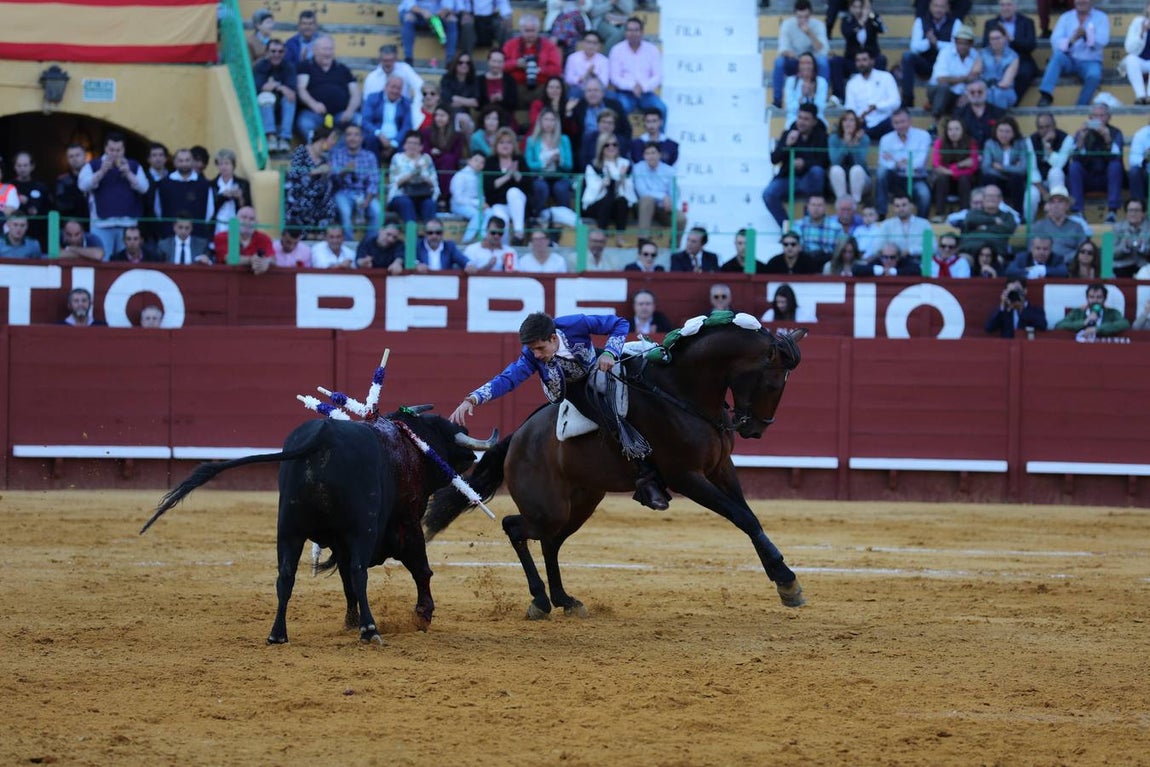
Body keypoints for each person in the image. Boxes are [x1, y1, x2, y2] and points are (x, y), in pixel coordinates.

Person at [449, 310, 670, 509]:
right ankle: (646, 481)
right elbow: (508, 378)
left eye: (539, 348)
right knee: (611, 420)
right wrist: (473, 399)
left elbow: (619, 323)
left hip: (598, 360)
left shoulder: (576, 324)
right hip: (573, 388)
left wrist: (610, 352)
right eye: (532, 349)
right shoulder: (531, 357)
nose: (535, 355)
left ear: (553, 338)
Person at [77, 132, 149, 257]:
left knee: (126, 262)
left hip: (128, 226)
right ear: (105, 148)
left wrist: (128, 173)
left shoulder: (134, 165)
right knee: (102, 262)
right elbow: (82, 185)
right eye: (111, 149)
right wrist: (101, 172)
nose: (115, 153)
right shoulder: (93, 165)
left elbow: (144, 188)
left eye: (118, 150)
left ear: (124, 149)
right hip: (101, 224)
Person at [762, 103, 829, 228]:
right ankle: (789, 228)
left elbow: (824, 162)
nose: (801, 122)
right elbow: (774, 159)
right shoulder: (788, 134)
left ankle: (809, 222)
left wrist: (805, 164)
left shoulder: (821, 136)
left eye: (806, 119)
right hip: (788, 179)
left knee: (817, 172)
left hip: (809, 180)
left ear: (814, 121)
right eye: (800, 117)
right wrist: (787, 145)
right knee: (768, 194)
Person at [1037, 0, 1110, 107]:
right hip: (1069, 58)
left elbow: (1103, 40)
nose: (1081, 1)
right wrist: (1071, 40)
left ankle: (1081, 105)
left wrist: (1086, 36)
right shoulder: (1066, 17)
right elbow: (1055, 41)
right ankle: (1046, 95)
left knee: (1094, 75)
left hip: (1090, 60)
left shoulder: (1101, 17)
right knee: (1057, 57)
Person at [1067, 103, 1125, 224]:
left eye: (1102, 116)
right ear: (1090, 118)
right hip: (1088, 178)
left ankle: (1112, 212)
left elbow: (1117, 158)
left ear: (1108, 117)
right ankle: (1078, 212)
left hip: (1107, 178)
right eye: (1095, 116)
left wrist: (1108, 139)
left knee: (1115, 166)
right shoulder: (1081, 133)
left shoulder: (1116, 133)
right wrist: (1081, 140)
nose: (1098, 119)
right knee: (1074, 167)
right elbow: (1075, 157)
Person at [295, 36, 360, 139]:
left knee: (357, 119)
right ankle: (319, 150)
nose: (328, 53)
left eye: (330, 49)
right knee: (304, 123)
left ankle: (336, 151)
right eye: (324, 49)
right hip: (314, 114)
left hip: (340, 115)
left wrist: (350, 111)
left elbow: (355, 93)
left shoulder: (343, 69)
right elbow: (301, 89)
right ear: (315, 50)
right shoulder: (306, 66)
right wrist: (313, 104)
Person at [901, 0, 960, 109]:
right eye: (936, 6)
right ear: (930, 7)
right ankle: (907, 98)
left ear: (947, 8)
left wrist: (936, 43)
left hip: (946, 66)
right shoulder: (920, 21)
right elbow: (914, 47)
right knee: (907, 57)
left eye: (942, 7)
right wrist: (928, 42)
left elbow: (956, 47)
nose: (938, 9)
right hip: (926, 63)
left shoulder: (956, 22)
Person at [772, 0, 831, 110]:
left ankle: (823, 98)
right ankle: (777, 100)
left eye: (806, 17)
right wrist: (800, 59)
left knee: (823, 61)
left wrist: (809, 33)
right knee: (779, 62)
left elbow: (823, 50)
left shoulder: (818, 25)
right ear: (795, 14)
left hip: (812, 62)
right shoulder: (787, 25)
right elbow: (783, 49)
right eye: (800, 17)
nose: (803, 20)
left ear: (811, 14)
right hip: (795, 59)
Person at [329, 124, 382, 241]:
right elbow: (333, 178)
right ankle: (349, 244)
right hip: (343, 191)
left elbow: (374, 181)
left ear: (361, 138)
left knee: (377, 211)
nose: (352, 138)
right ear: (345, 138)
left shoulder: (370, 156)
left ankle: (369, 243)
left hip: (364, 192)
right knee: (345, 211)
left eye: (356, 135)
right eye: (349, 135)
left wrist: (368, 200)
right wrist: (345, 171)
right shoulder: (337, 154)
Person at [607, 15, 666, 120]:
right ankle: (622, 136)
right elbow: (614, 78)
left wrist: (642, 87)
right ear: (625, 33)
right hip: (625, 93)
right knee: (621, 107)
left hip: (646, 92)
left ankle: (659, 137)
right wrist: (632, 86)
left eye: (636, 30)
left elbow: (658, 76)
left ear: (642, 32)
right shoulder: (617, 50)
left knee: (661, 108)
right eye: (629, 30)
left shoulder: (652, 50)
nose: (632, 33)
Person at [982, 116, 1040, 222]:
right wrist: (1011, 169)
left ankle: (1019, 214)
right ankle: (990, 213)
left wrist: (1002, 168)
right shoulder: (990, 144)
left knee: (1016, 178)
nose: (1004, 135)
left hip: (1014, 181)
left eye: (1007, 131)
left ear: (1014, 132)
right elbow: (986, 168)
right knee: (988, 178)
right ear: (996, 131)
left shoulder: (1021, 144)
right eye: (1001, 131)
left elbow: (1023, 169)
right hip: (997, 179)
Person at [582, 132, 635, 246]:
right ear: (601, 147)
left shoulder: (625, 164)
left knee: (621, 200)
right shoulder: (593, 166)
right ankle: (601, 236)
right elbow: (592, 188)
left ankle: (620, 238)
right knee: (608, 198)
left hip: (617, 205)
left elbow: (630, 190)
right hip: (596, 204)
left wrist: (622, 179)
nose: (611, 147)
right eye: (607, 145)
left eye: (614, 144)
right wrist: (603, 183)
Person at [875, 108, 931, 217]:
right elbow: (883, 162)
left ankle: (921, 222)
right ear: (892, 124)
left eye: (902, 122)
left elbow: (919, 163)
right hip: (894, 178)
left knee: (924, 194)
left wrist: (895, 161)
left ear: (910, 121)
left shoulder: (923, 136)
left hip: (915, 177)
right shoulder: (885, 139)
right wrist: (901, 163)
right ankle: (881, 214)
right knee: (881, 173)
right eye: (896, 123)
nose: (900, 126)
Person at [284, 123, 339, 230]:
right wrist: (316, 171)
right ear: (323, 139)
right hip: (298, 194)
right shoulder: (302, 151)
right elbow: (293, 174)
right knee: (305, 203)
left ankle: (320, 233)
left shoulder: (324, 159)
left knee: (330, 204)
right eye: (332, 139)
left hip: (317, 197)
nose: (334, 143)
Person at [830, 0, 887, 101]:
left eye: (860, 7)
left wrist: (873, 16)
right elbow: (848, 34)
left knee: (881, 59)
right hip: (852, 60)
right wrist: (861, 22)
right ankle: (839, 96)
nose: (857, 10)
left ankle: (879, 93)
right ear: (850, 8)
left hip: (870, 61)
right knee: (835, 61)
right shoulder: (846, 20)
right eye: (855, 7)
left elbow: (882, 30)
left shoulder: (872, 18)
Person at [982, 0, 1038, 101]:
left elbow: (1030, 46)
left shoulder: (1027, 22)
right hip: (997, 58)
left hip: (1021, 59)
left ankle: (1013, 102)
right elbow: (985, 45)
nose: (1005, 8)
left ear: (1015, 7)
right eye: (1002, 5)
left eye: (1009, 5)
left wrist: (1011, 38)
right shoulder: (990, 23)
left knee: (1024, 73)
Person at [526, 106, 575, 219]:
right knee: (541, 187)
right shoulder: (532, 140)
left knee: (561, 188)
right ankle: (536, 218)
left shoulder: (564, 139)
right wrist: (544, 163)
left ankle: (567, 218)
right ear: (540, 121)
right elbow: (529, 165)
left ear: (556, 122)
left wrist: (560, 160)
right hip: (539, 176)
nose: (549, 123)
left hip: (559, 176)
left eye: (552, 120)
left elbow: (569, 165)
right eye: (546, 119)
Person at [154, 148, 214, 239]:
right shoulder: (164, 184)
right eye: (180, 161)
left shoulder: (203, 184)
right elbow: (158, 210)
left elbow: (209, 211)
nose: (184, 164)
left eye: (187, 160)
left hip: (196, 236)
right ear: (174, 162)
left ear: (192, 162)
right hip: (170, 236)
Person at [484, 127, 530, 243]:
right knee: (500, 220)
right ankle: (504, 250)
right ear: (496, 145)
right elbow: (488, 187)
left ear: (514, 145)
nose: (505, 146)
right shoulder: (490, 161)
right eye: (502, 142)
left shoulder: (520, 160)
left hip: (518, 204)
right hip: (498, 203)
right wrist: (507, 176)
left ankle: (519, 234)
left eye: (509, 142)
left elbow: (529, 185)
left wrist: (516, 174)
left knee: (513, 192)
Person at [927, 24, 981, 122]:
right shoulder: (945, 53)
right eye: (960, 43)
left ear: (971, 44)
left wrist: (967, 95)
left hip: (961, 93)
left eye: (966, 43)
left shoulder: (976, 55)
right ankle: (934, 123)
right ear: (955, 42)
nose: (963, 46)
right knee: (944, 88)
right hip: (938, 91)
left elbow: (975, 79)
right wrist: (964, 78)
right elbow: (941, 79)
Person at [501, 13, 563, 98]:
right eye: (527, 31)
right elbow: (499, 65)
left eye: (533, 30)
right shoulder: (510, 45)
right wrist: (516, 64)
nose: (530, 34)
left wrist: (539, 69)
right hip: (515, 86)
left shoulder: (549, 46)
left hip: (541, 87)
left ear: (538, 30)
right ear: (521, 30)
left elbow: (557, 69)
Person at [929, 116, 979, 222]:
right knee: (942, 178)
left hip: (964, 181)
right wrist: (959, 166)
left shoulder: (971, 143)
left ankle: (964, 213)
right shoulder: (939, 143)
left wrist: (951, 169)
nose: (953, 132)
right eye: (950, 129)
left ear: (963, 130)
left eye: (957, 129)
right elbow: (936, 165)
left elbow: (973, 167)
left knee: (964, 179)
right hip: (945, 181)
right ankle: (940, 214)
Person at [632, 142, 683, 243]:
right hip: (642, 206)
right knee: (648, 200)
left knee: (681, 219)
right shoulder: (638, 168)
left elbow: (674, 192)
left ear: (660, 154)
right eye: (647, 153)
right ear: (644, 156)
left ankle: (673, 248)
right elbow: (642, 192)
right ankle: (643, 242)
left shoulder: (669, 171)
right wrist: (663, 196)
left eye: (653, 153)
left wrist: (670, 203)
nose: (651, 156)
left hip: (663, 207)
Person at [843, 50, 900, 142]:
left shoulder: (886, 77)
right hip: (863, 123)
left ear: (872, 61)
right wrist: (858, 118)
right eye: (858, 60)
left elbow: (896, 102)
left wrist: (876, 106)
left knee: (895, 122)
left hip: (885, 121)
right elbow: (850, 107)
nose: (861, 63)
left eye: (864, 60)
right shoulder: (852, 83)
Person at [387, 130, 441, 224]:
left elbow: (434, 183)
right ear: (404, 145)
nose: (412, 146)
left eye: (416, 143)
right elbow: (394, 183)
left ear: (421, 147)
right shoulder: (397, 158)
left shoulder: (426, 159)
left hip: (422, 194)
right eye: (409, 143)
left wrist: (422, 175)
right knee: (406, 203)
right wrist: (412, 173)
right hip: (401, 194)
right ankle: (412, 236)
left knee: (429, 204)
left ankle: (431, 234)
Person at [254, 39, 298, 154]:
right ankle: (270, 136)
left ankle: (285, 138)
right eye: (273, 51)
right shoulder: (260, 66)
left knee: (290, 99)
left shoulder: (289, 67)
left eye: (280, 51)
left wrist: (275, 85)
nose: (276, 55)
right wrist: (281, 87)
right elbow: (260, 88)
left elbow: (291, 91)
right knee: (265, 96)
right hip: (265, 107)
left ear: (284, 53)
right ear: (267, 52)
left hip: (282, 104)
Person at [958, 184, 1016, 264]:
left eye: (995, 196)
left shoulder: (1007, 216)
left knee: (998, 261)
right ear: (983, 198)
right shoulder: (973, 213)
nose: (991, 199)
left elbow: (1008, 229)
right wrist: (993, 221)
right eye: (988, 196)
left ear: (1000, 199)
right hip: (970, 251)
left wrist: (984, 227)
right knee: (962, 261)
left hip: (995, 254)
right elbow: (969, 221)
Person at [361, 75, 414, 164]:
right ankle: (374, 171)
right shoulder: (373, 98)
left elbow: (407, 126)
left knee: (407, 145)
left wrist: (394, 143)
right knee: (370, 140)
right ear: (385, 86)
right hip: (377, 135)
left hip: (397, 139)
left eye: (399, 88)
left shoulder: (406, 103)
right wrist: (379, 134)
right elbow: (366, 121)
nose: (395, 91)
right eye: (393, 87)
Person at [875, 193, 936, 266]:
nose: (901, 209)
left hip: (919, 264)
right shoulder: (886, 225)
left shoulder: (924, 224)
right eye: (897, 206)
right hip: (895, 265)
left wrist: (911, 251)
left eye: (904, 205)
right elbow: (878, 248)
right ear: (893, 208)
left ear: (912, 206)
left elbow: (933, 249)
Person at [1055, 283, 1130, 340]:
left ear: (1105, 298)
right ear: (1087, 298)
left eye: (1099, 297)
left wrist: (1097, 329)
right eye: (1091, 297)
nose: (1095, 300)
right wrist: (1084, 322)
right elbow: (1060, 325)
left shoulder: (1112, 312)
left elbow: (1124, 323)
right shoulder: (1078, 312)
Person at [422, 105, 464, 204]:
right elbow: (424, 151)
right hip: (431, 163)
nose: (439, 118)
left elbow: (457, 155)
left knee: (448, 160)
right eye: (437, 115)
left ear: (449, 117)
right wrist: (432, 152)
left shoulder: (456, 135)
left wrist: (441, 154)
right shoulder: (427, 132)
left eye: (442, 115)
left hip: (449, 166)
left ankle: (444, 196)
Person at [212, 206, 275, 271]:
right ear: (236, 220)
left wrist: (267, 261)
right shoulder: (222, 236)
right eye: (244, 217)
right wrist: (251, 260)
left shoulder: (264, 239)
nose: (247, 221)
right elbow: (229, 259)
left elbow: (273, 259)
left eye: (252, 219)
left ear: (256, 223)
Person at [828, 110, 870, 205]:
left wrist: (855, 144)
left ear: (856, 123)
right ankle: (842, 203)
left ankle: (855, 203)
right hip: (838, 181)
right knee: (835, 170)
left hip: (862, 181)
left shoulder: (864, 138)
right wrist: (845, 144)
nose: (848, 123)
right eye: (845, 120)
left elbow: (861, 162)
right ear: (841, 123)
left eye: (852, 120)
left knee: (856, 170)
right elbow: (835, 161)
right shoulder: (834, 138)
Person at [399, 0, 459, 66]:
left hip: (436, 17)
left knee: (451, 19)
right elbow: (411, 6)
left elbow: (448, 6)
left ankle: (450, 59)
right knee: (409, 17)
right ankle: (408, 58)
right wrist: (423, 12)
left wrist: (438, 14)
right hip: (416, 14)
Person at [11, 152, 52, 246]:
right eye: (19, 165)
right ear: (14, 167)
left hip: (37, 236)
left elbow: (47, 212)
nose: (22, 168)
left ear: (32, 166)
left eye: (25, 165)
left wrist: (27, 202)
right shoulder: (9, 187)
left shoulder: (41, 187)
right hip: (13, 238)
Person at [793, 194, 843, 268]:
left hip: (829, 263)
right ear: (808, 207)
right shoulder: (798, 225)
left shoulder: (836, 227)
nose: (816, 208)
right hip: (805, 262)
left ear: (825, 208)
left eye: (819, 205)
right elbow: (796, 248)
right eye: (813, 205)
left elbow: (840, 250)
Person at [1029, 114, 1075, 194]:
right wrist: (1043, 193)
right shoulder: (1030, 140)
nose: (1045, 130)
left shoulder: (1067, 139)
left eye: (1048, 126)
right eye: (1041, 127)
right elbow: (1032, 169)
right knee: (1032, 194)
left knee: (1055, 172)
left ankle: (1056, 203)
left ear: (1054, 126)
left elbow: (1059, 165)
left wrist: (1047, 146)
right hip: (1038, 182)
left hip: (1060, 180)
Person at [210, 149, 252, 236]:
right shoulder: (212, 185)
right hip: (217, 224)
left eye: (227, 163)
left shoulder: (243, 184)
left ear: (233, 165)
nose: (224, 167)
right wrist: (222, 197)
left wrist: (240, 197)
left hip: (236, 223)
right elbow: (210, 208)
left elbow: (247, 207)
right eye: (220, 164)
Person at [954, 80, 1005, 150]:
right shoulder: (958, 114)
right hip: (967, 154)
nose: (976, 94)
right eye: (972, 92)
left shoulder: (999, 113)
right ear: (967, 94)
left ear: (986, 92)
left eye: (980, 92)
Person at [783, 52, 829, 128]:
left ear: (814, 65)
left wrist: (811, 97)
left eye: (809, 63)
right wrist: (802, 97)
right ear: (798, 66)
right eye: (802, 63)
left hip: (816, 119)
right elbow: (790, 108)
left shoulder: (821, 82)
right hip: (795, 119)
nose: (806, 66)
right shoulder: (791, 81)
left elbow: (820, 107)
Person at [980, 23, 1020, 109]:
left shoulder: (1013, 56)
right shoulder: (982, 54)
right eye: (992, 39)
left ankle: (997, 121)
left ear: (1005, 38)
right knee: (984, 95)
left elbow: (1006, 82)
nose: (995, 41)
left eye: (998, 38)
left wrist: (989, 87)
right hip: (985, 90)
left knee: (997, 94)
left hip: (1006, 91)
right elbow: (977, 75)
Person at [450, 151, 487, 243]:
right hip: (458, 205)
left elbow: (481, 195)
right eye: (476, 160)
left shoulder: (479, 176)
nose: (479, 164)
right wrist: (478, 204)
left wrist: (482, 203)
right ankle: (467, 240)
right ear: (469, 161)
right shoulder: (460, 175)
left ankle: (482, 238)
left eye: (482, 162)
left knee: (490, 212)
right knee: (477, 215)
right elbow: (458, 198)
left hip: (474, 205)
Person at [440, 52, 480, 136]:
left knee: (464, 120)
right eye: (460, 62)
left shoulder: (473, 80)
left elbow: (476, 102)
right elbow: (447, 100)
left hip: (466, 116)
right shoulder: (447, 78)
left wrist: (457, 99)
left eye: (467, 63)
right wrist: (467, 101)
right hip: (448, 114)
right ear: (455, 64)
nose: (464, 65)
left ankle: (467, 148)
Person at [477, 49, 520, 124]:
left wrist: (502, 99)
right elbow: (477, 105)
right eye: (494, 61)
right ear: (488, 62)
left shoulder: (509, 80)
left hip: (505, 117)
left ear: (504, 63)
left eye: (499, 62)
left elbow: (514, 103)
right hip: (485, 118)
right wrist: (490, 100)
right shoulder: (479, 80)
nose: (496, 65)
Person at [564, 30, 610, 99]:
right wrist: (584, 76)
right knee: (573, 91)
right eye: (588, 42)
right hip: (579, 89)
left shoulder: (604, 60)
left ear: (599, 46)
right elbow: (568, 78)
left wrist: (593, 74)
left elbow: (605, 83)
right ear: (583, 43)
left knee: (611, 96)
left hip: (597, 90)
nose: (591, 46)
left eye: (594, 43)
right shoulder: (573, 58)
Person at [1113, 199, 1150, 277]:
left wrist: (1142, 247)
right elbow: (1111, 253)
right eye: (1130, 210)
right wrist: (1124, 247)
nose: (1133, 213)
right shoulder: (1117, 228)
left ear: (1143, 213)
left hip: (1145, 268)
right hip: (1122, 268)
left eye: (1137, 210)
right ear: (1126, 213)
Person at [1124, 2, 1150, 104]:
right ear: (1147, 8)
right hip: (1141, 60)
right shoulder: (1137, 22)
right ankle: (1141, 96)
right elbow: (1129, 49)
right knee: (1130, 59)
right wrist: (1142, 32)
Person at [54, 144, 89, 220]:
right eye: (71, 156)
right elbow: (60, 204)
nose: (74, 159)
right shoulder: (63, 180)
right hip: (71, 224)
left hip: (93, 222)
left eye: (77, 155)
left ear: (85, 156)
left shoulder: (94, 176)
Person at [1129, 113, 1150, 207]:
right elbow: (1133, 159)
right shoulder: (1141, 134)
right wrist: (1145, 158)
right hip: (1146, 173)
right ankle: (1139, 208)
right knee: (1134, 171)